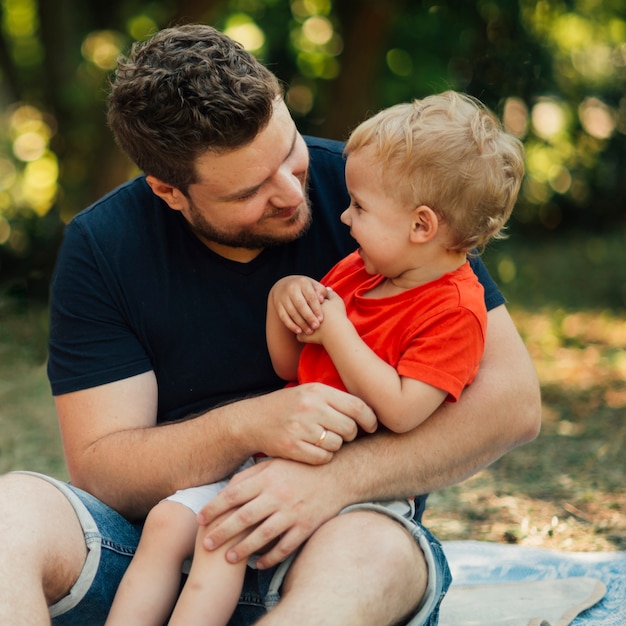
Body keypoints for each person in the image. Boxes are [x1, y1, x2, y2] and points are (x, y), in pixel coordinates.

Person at [0, 23, 541, 626]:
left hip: (334, 544)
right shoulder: (104, 246)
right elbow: (103, 469)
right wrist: (246, 427)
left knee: (376, 557)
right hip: (157, 551)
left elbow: (513, 404)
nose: (292, 192)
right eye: (251, 190)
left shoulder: (379, 188)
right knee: (10, 513)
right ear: (169, 191)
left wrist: (336, 481)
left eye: (288, 151)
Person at [105, 90, 524, 626]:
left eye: (361, 207)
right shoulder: (360, 269)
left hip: (361, 492)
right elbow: (290, 366)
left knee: (221, 539)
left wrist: (338, 331)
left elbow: (401, 411)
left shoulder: (456, 311)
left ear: (422, 226)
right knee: (168, 522)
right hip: (281, 460)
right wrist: (285, 301)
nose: (344, 217)